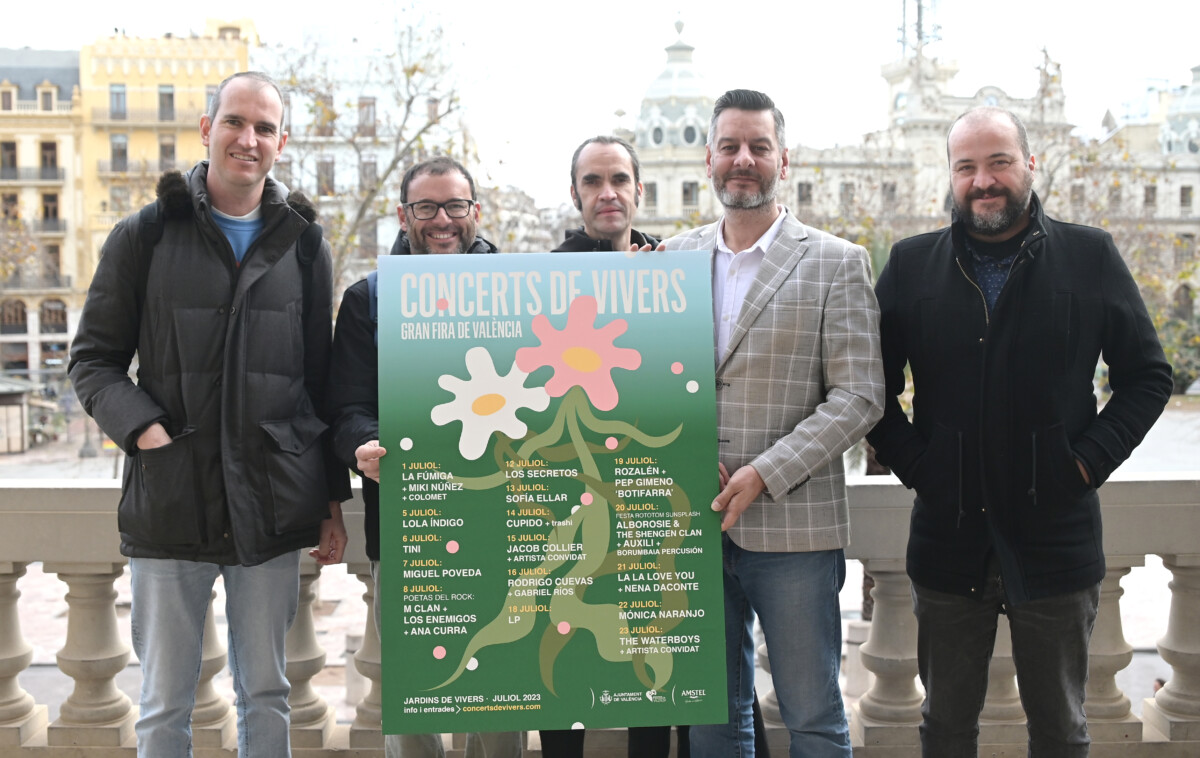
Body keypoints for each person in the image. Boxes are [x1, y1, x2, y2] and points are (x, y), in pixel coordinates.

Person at [867, 106, 1173, 757]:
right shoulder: (912, 265)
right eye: (967, 166)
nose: (984, 180)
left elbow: (1147, 376)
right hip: (948, 543)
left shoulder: (1089, 257)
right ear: (949, 177)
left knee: (1062, 732)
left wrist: (1084, 463)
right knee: (945, 728)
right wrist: (922, 467)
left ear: (1029, 164)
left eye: (999, 161)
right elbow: (872, 391)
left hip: (1057, 542)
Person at [68, 71, 350, 758]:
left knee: (267, 695)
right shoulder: (145, 234)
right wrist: (144, 428)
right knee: (165, 704)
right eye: (234, 122)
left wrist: (331, 502)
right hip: (170, 502)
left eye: (263, 128)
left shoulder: (305, 243)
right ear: (206, 128)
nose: (246, 140)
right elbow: (93, 360)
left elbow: (320, 383)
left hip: (271, 505)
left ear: (281, 142)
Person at [662, 89, 884, 758]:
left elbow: (860, 395)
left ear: (782, 159)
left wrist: (765, 472)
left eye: (758, 146)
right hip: (690, 521)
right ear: (708, 158)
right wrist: (683, 456)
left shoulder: (836, 261)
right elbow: (646, 390)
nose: (743, 159)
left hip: (795, 524)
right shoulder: (669, 259)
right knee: (711, 719)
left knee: (812, 712)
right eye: (729, 145)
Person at [327, 156, 520, 758]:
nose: (442, 220)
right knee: (415, 692)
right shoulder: (368, 300)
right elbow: (345, 407)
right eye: (426, 208)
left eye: (455, 206)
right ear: (404, 215)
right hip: (411, 526)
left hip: (506, 524)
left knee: (500, 697)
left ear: (475, 212)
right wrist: (362, 444)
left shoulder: (521, 289)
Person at [553, 135, 658, 253]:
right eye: (592, 183)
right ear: (575, 196)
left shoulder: (672, 263)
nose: (608, 195)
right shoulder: (549, 270)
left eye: (620, 181)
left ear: (638, 191)